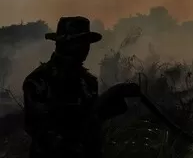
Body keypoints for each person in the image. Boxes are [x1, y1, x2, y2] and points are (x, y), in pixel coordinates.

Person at [23, 16, 141, 158]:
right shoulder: (39, 81)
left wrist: (114, 100)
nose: (85, 48)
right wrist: (105, 99)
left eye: (86, 43)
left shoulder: (88, 82)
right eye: (79, 42)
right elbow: (41, 130)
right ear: (63, 44)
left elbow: (94, 122)